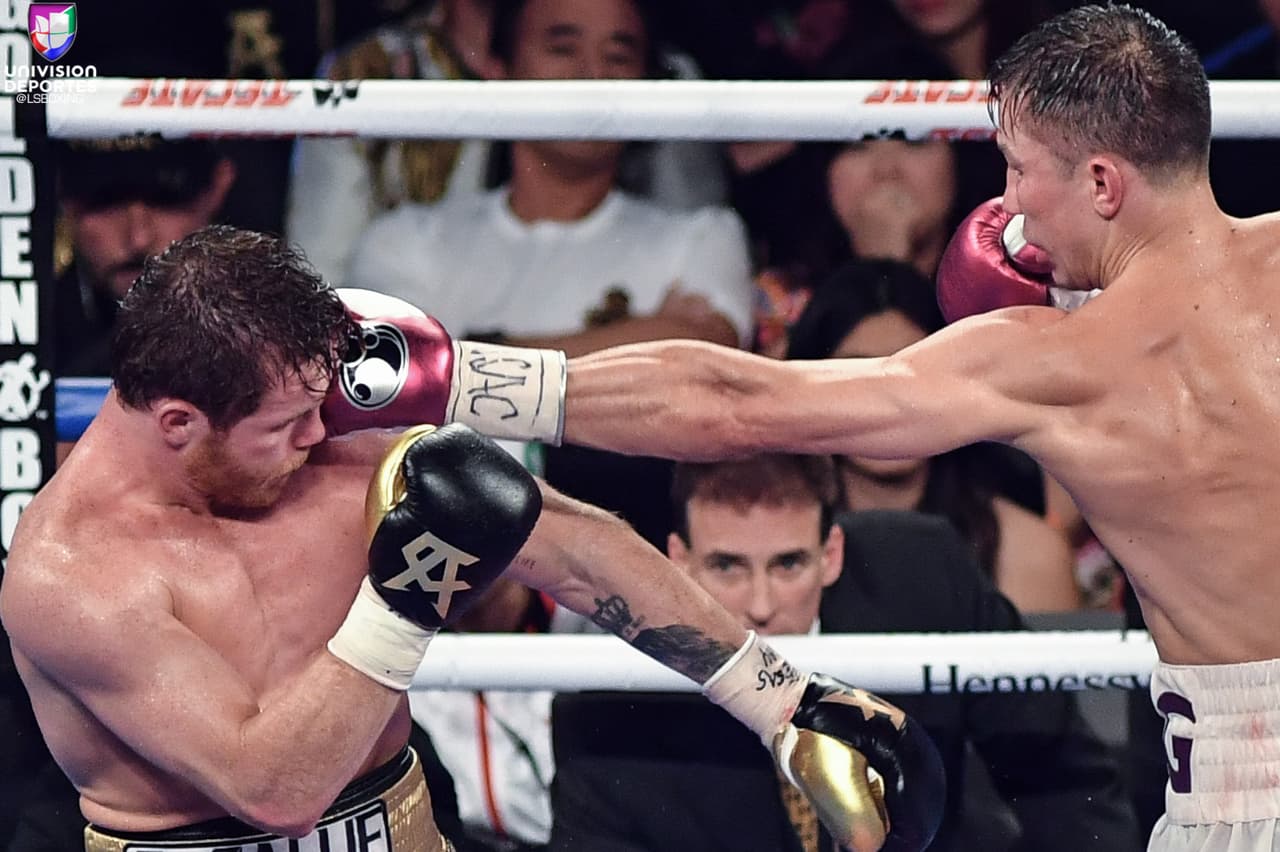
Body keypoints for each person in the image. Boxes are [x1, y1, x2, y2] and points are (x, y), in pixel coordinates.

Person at [542, 5, 1280, 848]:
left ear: (1103, 184)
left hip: (1245, 777)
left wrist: (465, 382)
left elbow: (733, 404)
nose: (1005, 205)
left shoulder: (1056, 361)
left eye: (1017, 168)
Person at [0, 227, 944, 852]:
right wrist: (409, 591)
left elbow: (567, 544)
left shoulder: (327, 423)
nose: (316, 434)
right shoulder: (72, 576)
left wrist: (779, 699)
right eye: (285, 424)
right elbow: (272, 787)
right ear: (178, 423)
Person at [549, 454, 1137, 850]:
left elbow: (1060, 774)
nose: (759, 605)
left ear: (831, 552)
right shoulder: (611, 693)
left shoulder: (924, 576)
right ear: (678, 560)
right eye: (726, 566)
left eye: (789, 564)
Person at [784, 260, 1080, 613]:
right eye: (857, 374)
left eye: (912, 371)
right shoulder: (764, 549)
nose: (888, 401)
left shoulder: (1029, 552)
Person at [53, 136, 236, 377]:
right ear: (61, 196)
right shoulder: (18, 333)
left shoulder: (271, 336)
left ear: (218, 187)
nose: (138, 239)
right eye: (105, 200)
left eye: (166, 199)